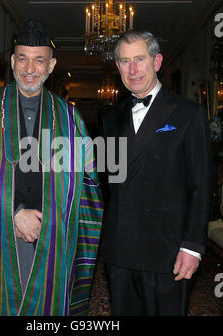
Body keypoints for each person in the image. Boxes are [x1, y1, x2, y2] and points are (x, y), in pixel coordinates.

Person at [0, 19, 103, 316]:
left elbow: (86, 186)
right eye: (23, 58)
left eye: (39, 60)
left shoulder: (71, 120)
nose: (30, 69)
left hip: (49, 237)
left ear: (52, 65)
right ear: (13, 61)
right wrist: (13, 212)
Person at [102, 30, 211, 316]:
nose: (133, 69)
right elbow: (108, 183)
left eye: (140, 59)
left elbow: (201, 185)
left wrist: (192, 246)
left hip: (168, 251)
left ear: (158, 61)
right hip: (120, 251)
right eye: (125, 61)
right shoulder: (111, 118)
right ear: (117, 67)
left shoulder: (189, 113)